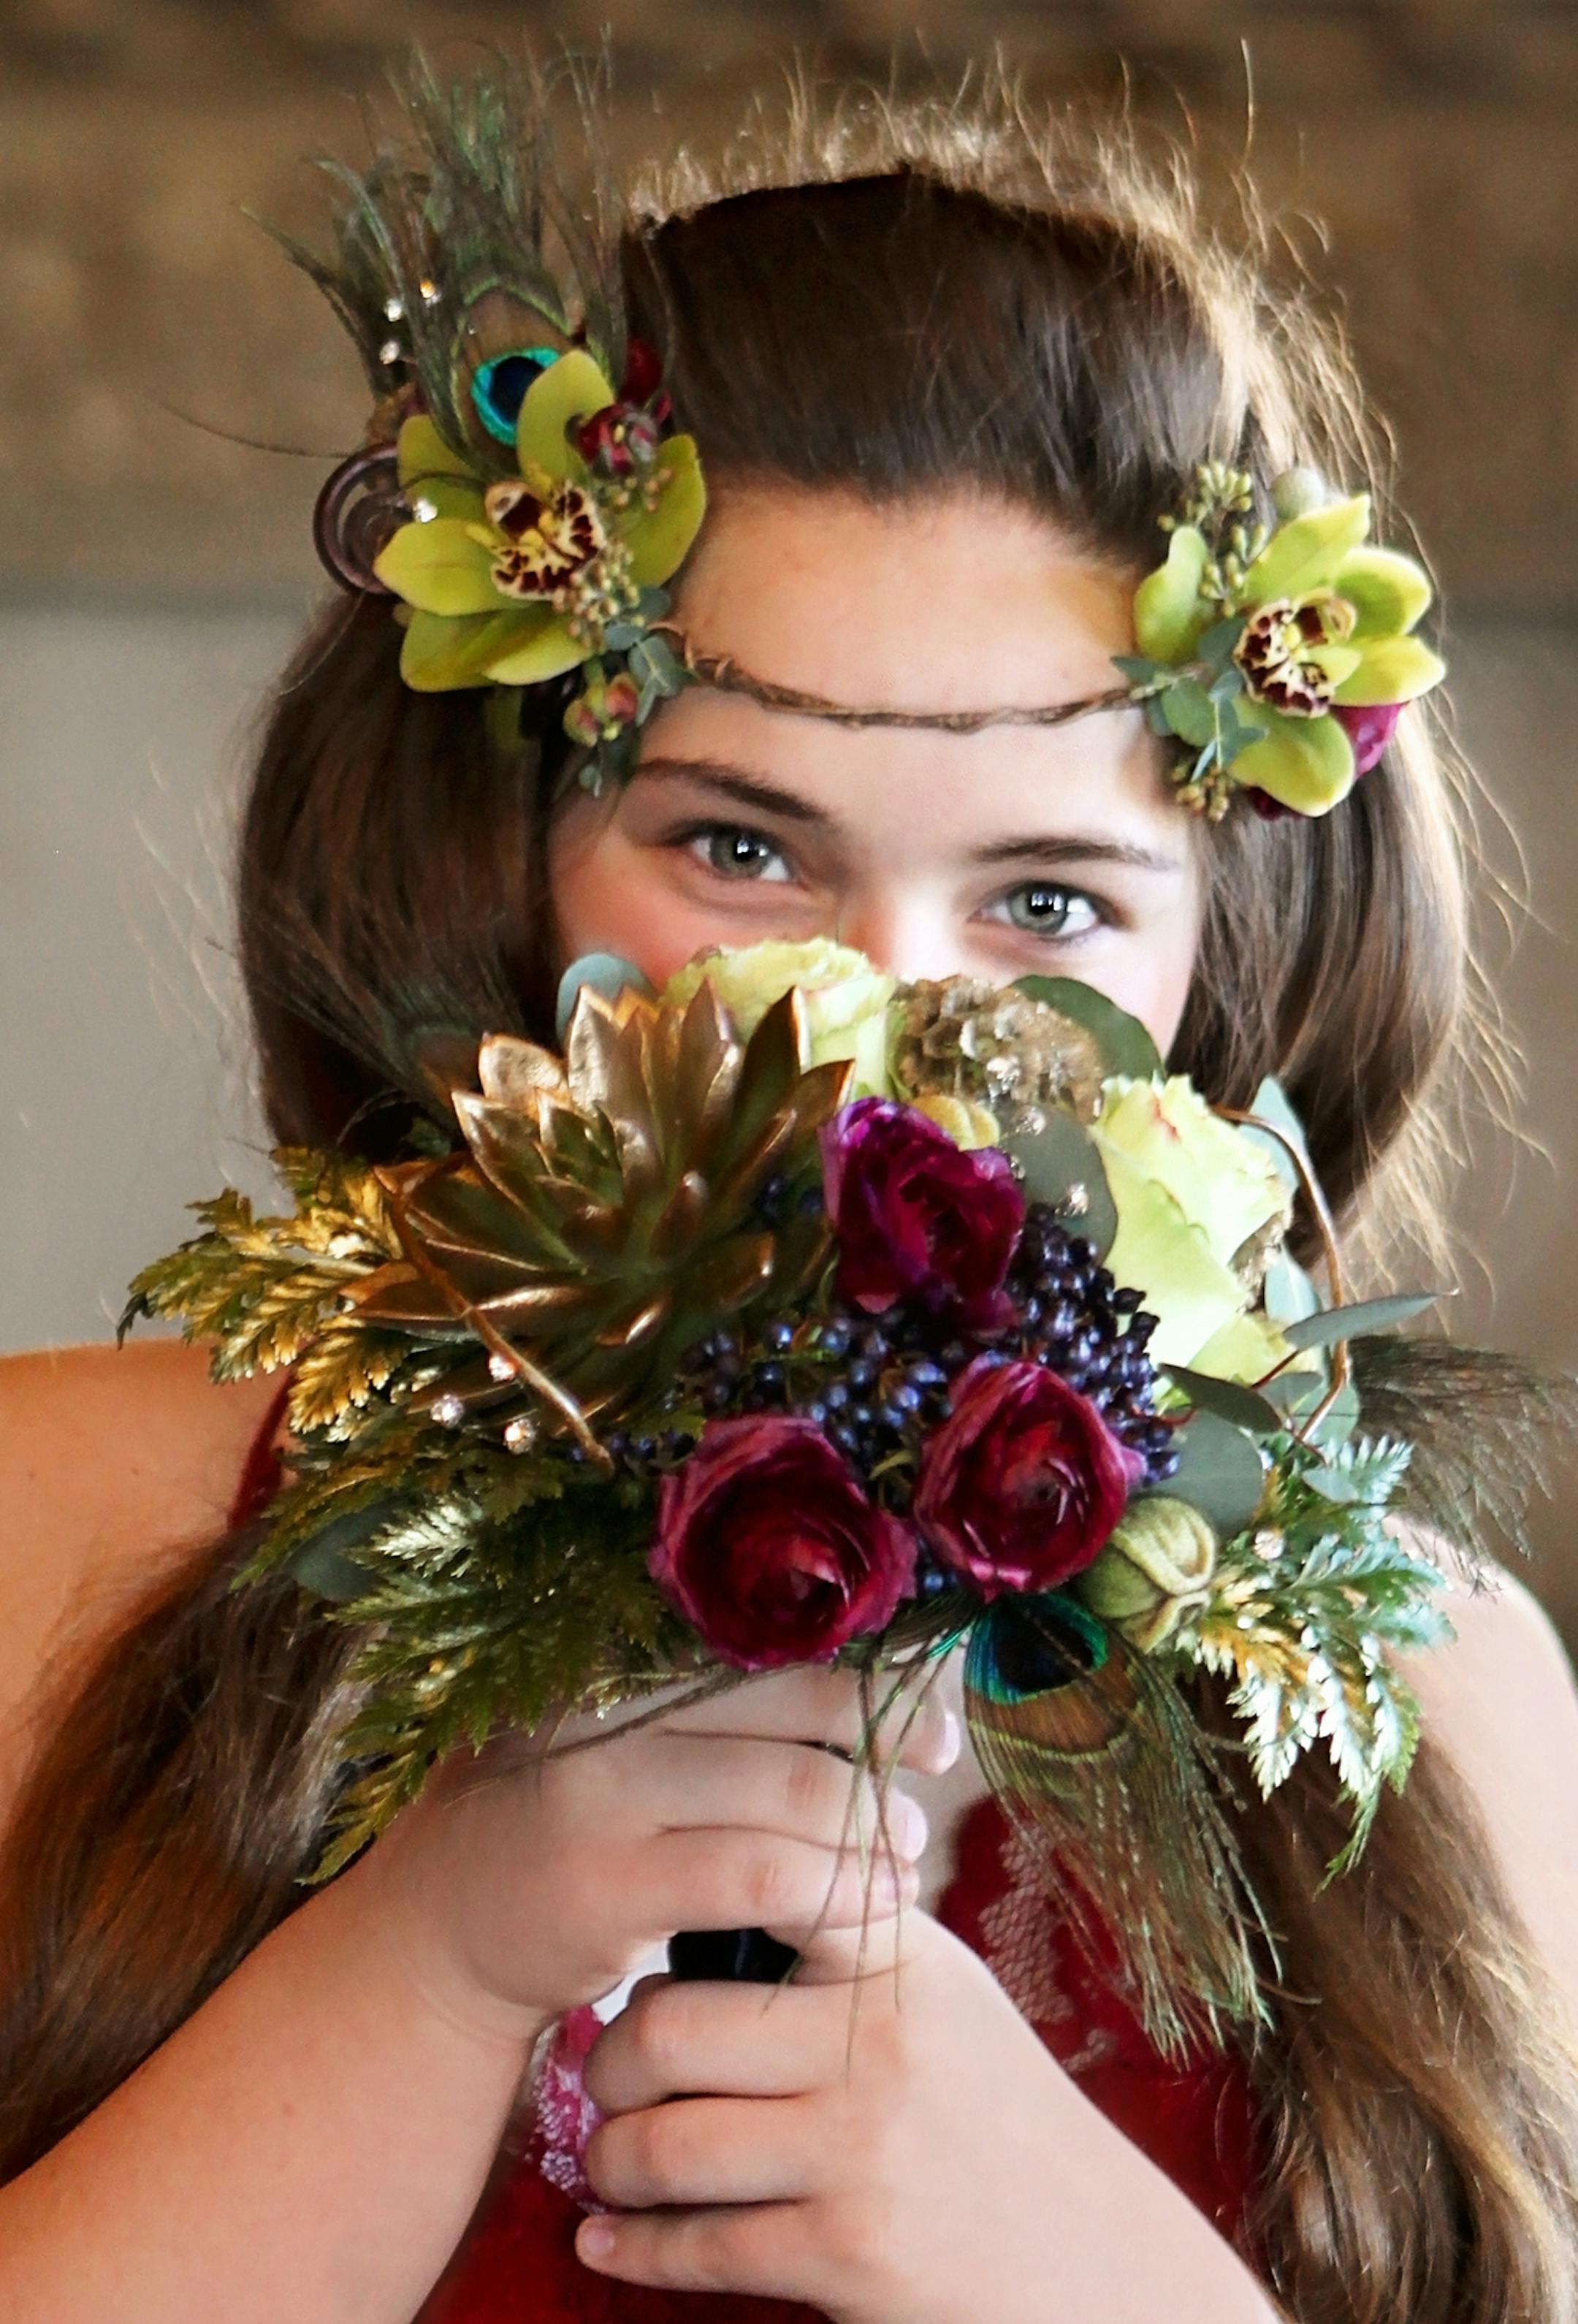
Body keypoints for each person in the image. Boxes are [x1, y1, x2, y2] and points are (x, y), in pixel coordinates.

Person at [2, 66, 1578, 2324]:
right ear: (506, 860)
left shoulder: (1431, 1698)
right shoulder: (57, 1528)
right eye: (742, 850)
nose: (880, 1012)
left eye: (1044, 900)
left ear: (1230, 973)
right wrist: (437, 1960)